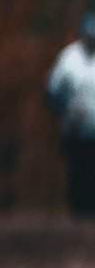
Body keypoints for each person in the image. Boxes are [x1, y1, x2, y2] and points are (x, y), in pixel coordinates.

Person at [49, 15, 95, 216]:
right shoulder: (69, 58)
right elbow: (51, 93)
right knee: (79, 176)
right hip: (76, 132)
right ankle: (79, 223)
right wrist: (67, 109)